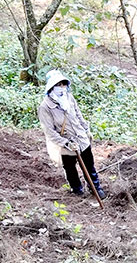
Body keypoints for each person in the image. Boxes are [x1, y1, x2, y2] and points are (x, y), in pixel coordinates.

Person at [37, 69, 105, 199]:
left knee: (89, 165)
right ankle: (77, 189)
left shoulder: (69, 97)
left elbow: (78, 115)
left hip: (81, 138)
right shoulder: (45, 107)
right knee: (70, 168)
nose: (61, 87)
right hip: (65, 143)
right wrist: (66, 143)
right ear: (51, 87)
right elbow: (49, 132)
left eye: (63, 84)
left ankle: (95, 187)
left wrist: (86, 129)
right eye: (58, 85)